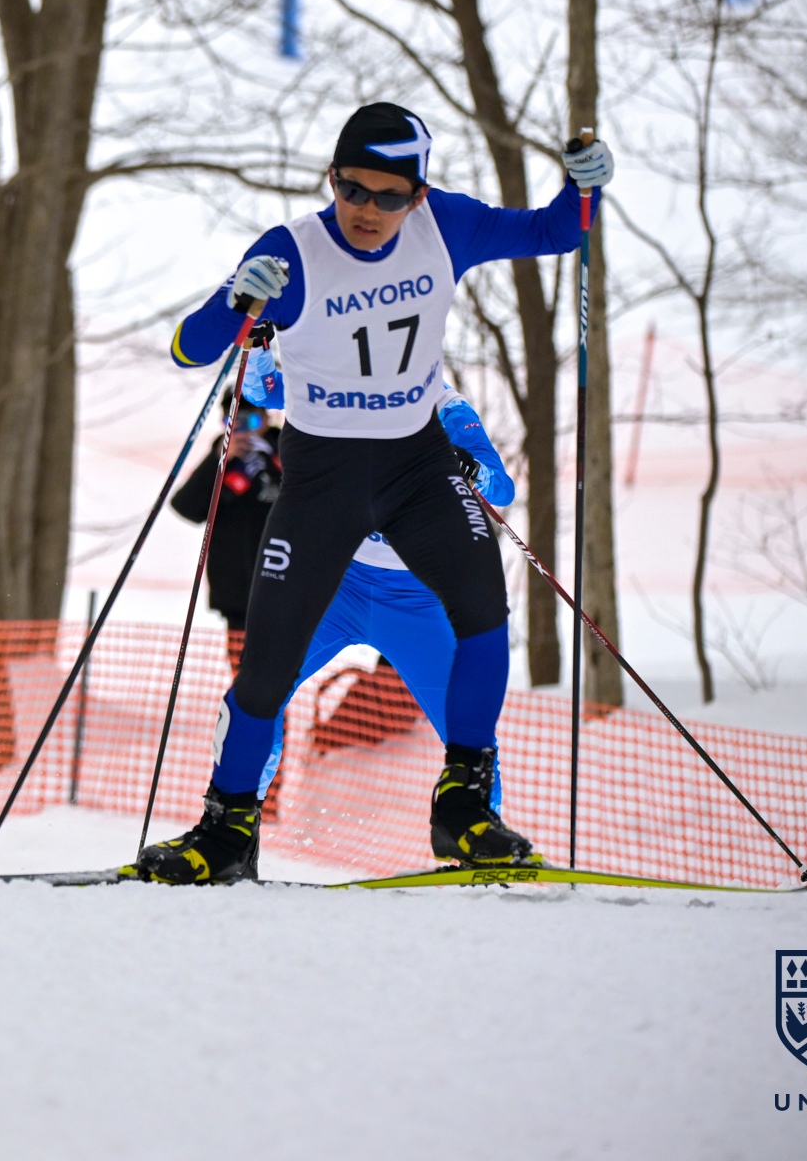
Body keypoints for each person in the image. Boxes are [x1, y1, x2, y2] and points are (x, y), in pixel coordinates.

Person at [138, 102, 611, 883]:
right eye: (351, 188)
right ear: (332, 178)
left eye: (389, 196)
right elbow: (191, 349)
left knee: (484, 609)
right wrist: (236, 301)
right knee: (266, 664)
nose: (366, 210)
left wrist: (583, 189)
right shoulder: (293, 250)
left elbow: (555, 232)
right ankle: (225, 832)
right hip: (323, 480)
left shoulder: (445, 226)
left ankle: (464, 809)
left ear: (418, 195)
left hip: (415, 466)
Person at [222, 361, 520, 822]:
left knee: (468, 728)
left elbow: (502, 489)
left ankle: (478, 829)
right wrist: (258, 342)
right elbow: (264, 391)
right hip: (339, 588)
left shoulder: (446, 406)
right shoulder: (344, 382)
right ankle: (238, 817)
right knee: (257, 691)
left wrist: (469, 467)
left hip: (412, 602)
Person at [168, 385, 282, 672]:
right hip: (237, 591)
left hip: (284, 583)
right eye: (235, 421)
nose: (245, 430)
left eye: (252, 420)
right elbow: (187, 507)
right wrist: (220, 460)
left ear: (266, 418)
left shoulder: (286, 453)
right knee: (244, 673)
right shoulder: (221, 459)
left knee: (282, 669)